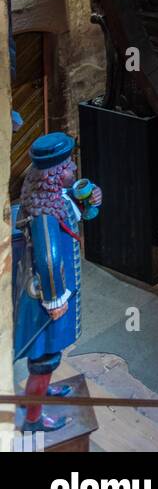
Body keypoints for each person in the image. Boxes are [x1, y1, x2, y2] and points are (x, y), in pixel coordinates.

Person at [12, 132, 103, 431]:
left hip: (55, 294)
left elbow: (79, 216)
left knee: (46, 355)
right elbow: (49, 258)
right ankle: (34, 420)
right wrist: (55, 300)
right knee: (44, 358)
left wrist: (90, 200)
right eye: (68, 166)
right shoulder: (44, 215)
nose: (73, 169)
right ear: (54, 174)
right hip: (49, 299)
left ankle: (38, 392)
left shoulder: (50, 197)